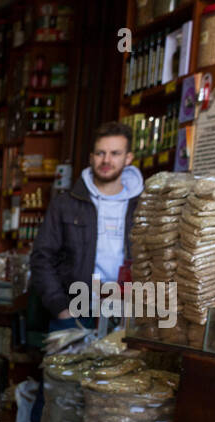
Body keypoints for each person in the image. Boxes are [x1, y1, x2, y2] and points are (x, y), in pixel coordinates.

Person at [30, 121, 144, 333]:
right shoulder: (66, 203)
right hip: (74, 312)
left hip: (125, 313)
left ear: (128, 158)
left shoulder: (144, 205)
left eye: (115, 153)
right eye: (100, 153)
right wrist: (61, 308)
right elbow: (42, 258)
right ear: (91, 157)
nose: (106, 160)